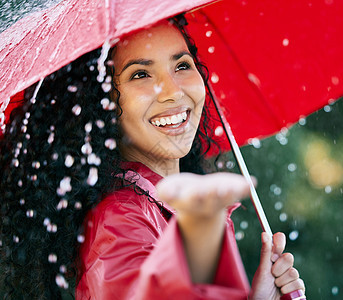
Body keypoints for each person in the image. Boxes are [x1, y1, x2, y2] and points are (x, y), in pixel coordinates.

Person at [0, 16, 305, 300]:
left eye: (182, 66)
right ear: (100, 104)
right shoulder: (121, 222)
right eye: (141, 74)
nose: (172, 91)